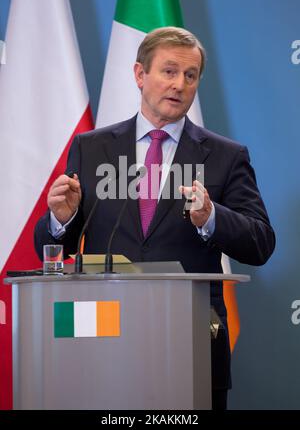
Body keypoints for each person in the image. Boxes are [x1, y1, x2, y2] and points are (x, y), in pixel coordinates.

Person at [34, 26, 275, 410]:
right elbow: (51, 247)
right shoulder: (91, 148)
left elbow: (261, 243)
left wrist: (211, 217)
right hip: (102, 336)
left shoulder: (226, 156)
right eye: (169, 71)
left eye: (190, 75)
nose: (179, 84)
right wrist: (61, 219)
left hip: (190, 338)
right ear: (139, 74)